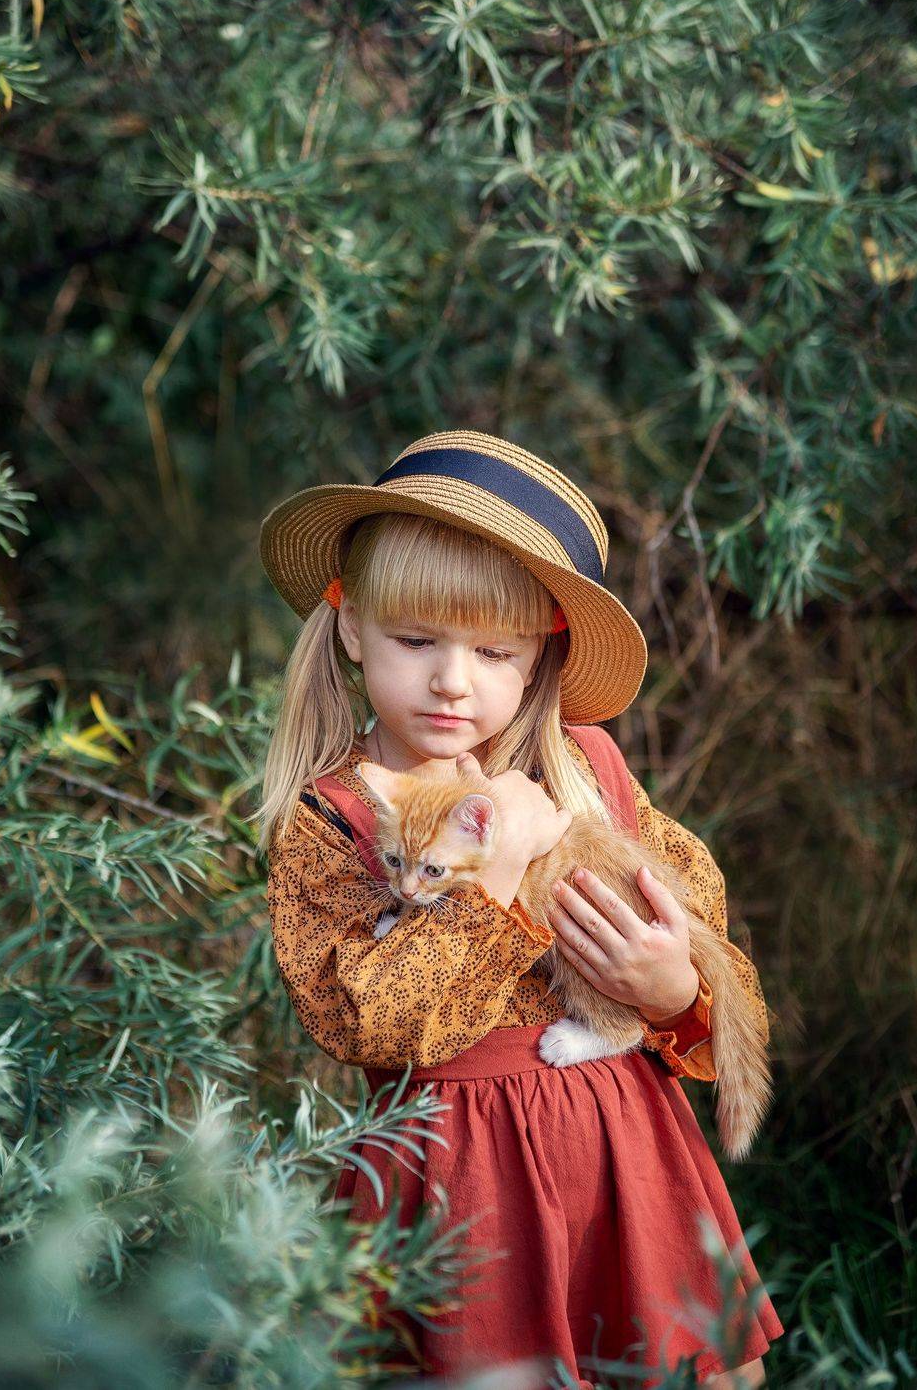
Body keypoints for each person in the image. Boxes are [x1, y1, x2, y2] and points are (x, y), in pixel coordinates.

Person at [256, 429, 786, 1389]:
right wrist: (498, 866)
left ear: (538, 659)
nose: (451, 680)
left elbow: (704, 939)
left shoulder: (587, 771)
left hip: (625, 1156)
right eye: (415, 640)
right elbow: (370, 1023)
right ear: (351, 627)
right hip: (456, 1176)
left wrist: (670, 991)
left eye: (493, 650)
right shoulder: (333, 817)